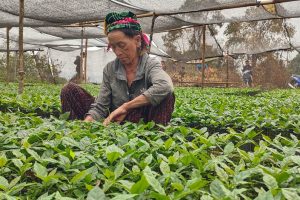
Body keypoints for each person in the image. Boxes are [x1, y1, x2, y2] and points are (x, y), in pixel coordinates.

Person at [60, 11, 175, 126]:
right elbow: (100, 106)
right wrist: (85, 126)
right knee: (69, 90)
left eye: (121, 45)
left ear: (137, 40)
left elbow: (165, 85)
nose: (118, 52)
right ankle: (78, 130)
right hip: (113, 120)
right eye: (113, 47)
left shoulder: (150, 65)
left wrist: (126, 107)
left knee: (166, 96)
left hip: (140, 121)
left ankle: (154, 138)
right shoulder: (110, 69)